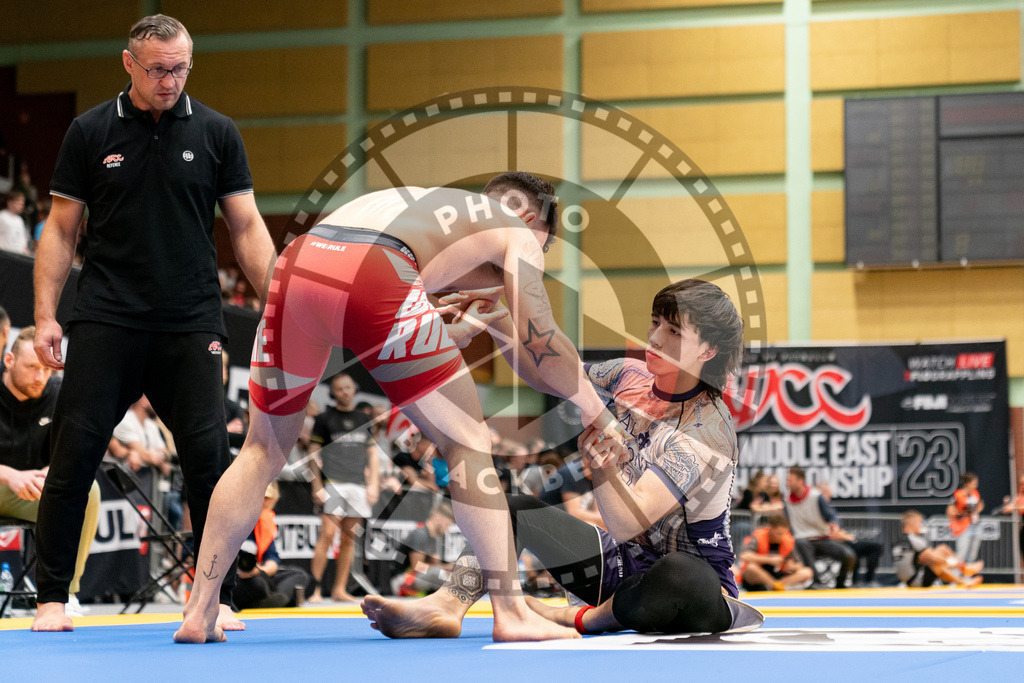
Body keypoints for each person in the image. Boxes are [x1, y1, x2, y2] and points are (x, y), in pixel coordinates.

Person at [175, 170, 628, 644]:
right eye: (546, 247)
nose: (541, 259)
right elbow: (542, 342)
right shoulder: (516, 232)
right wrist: (598, 412)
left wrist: (469, 330)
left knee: (260, 450)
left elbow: (514, 349)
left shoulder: (432, 209)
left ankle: (201, 610)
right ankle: (512, 612)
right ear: (529, 217)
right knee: (468, 442)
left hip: (299, 263)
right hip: (375, 267)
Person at [30, 14, 276, 632]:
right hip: (106, 316)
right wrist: (43, 315)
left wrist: (279, 302)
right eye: (159, 68)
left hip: (191, 320)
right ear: (129, 64)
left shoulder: (217, 132)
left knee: (209, 461)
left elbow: (246, 228)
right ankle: (53, 600)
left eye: (182, 67)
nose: (171, 80)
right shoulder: (89, 132)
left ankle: (212, 598)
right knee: (74, 455)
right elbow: (60, 230)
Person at [362, 279, 763, 638]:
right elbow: (545, 374)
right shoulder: (628, 375)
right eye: (655, 322)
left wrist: (602, 468)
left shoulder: (706, 431)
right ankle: (446, 606)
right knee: (514, 509)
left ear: (708, 349)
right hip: (620, 571)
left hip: (686, 593)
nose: (654, 338)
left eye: (673, 331)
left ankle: (577, 618)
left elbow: (628, 522)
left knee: (678, 573)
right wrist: (495, 319)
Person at [0, 327, 100, 615]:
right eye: (31, 367)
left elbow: (77, 450)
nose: (39, 377)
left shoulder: (57, 393)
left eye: (46, 369)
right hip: (3, 483)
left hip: (32, 489)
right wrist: (10, 475)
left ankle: (66, 593)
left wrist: (53, 470)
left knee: (87, 489)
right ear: (9, 360)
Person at [307, 372, 380, 603]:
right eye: (340, 388)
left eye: (348, 387)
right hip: (333, 483)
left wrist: (374, 484)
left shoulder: (363, 419)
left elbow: (373, 453)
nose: (344, 392)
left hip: (358, 484)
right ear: (333, 392)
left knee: (350, 538)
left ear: (354, 389)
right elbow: (312, 453)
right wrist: (316, 484)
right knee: (327, 535)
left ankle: (339, 589)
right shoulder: (324, 419)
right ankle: (315, 589)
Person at [232, 481, 310, 610]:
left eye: (267, 498)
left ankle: (274, 599)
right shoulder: (236, 520)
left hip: (258, 573)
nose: (264, 502)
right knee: (258, 585)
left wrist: (262, 570)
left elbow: (272, 556)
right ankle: (276, 600)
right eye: (261, 497)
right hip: (236, 578)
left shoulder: (265, 521)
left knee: (299, 575)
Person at [785, 466, 856, 589]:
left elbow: (831, 515)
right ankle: (817, 582)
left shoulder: (816, 496)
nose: (787, 483)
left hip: (822, 539)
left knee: (849, 555)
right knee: (801, 542)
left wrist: (834, 524)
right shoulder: (786, 500)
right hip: (802, 541)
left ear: (800, 481)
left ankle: (840, 584)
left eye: (790, 480)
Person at [893, 509, 982, 588]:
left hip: (908, 580)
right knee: (937, 560)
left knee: (939, 553)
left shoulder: (900, 540)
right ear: (912, 523)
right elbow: (933, 558)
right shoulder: (913, 539)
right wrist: (953, 564)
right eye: (919, 522)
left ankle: (963, 572)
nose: (921, 525)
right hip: (916, 581)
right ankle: (963, 573)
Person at [395, 501, 457, 596]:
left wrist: (449, 567)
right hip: (401, 580)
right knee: (439, 574)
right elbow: (417, 567)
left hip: (413, 579)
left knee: (449, 573)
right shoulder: (420, 534)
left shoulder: (434, 538)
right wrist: (443, 569)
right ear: (437, 518)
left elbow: (436, 564)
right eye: (446, 524)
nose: (447, 529)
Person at [739, 513, 813, 592]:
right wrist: (770, 559)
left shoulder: (787, 540)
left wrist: (792, 566)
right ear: (771, 529)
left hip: (779, 576)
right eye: (779, 533)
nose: (781, 537)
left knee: (807, 572)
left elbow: (799, 564)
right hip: (759, 575)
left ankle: (776, 586)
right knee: (751, 568)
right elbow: (745, 556)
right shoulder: (758, 537)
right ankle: (774, 585)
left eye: (783, 533)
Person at [536, 456, 604, 529]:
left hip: (564, 522)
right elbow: (574, 513)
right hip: (546, 521)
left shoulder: (598, 475)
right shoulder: (571, 473)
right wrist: (602, 520)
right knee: (592, 526)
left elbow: (599, 510)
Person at [947, 472, 984, 563]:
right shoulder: (958, 494)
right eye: (974, 483)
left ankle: (968, 575)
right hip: (963, 526)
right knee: (962, 553)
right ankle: (956, 575)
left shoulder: (975, 493)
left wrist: (976, 511)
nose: (976, 486)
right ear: (967, 483)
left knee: (972, 554)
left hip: (974, 525)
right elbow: (950, 510)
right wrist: (961, 513)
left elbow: (980, 504)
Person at [0, 190, 30, 255]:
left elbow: (22, 238)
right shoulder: (2, 216)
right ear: (10, 202)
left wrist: (25, 250)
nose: (22, 206)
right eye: (20, 204)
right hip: (5, 255)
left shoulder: (19, 220)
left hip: (18, 255)